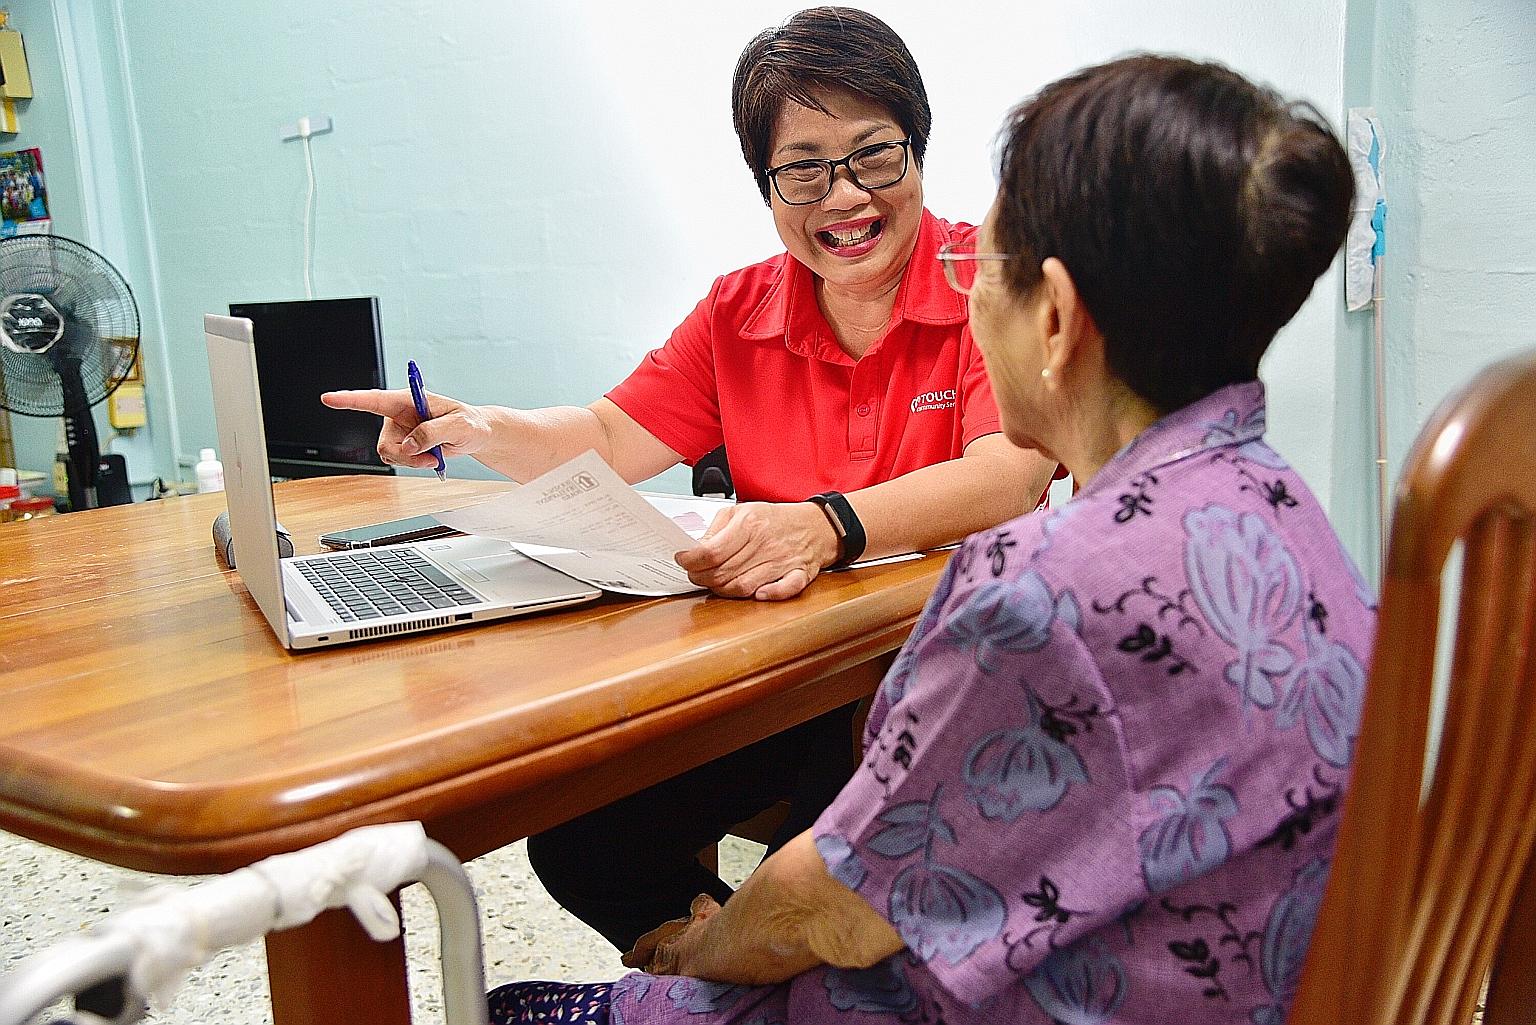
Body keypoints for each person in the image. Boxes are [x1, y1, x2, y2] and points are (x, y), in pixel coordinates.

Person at [485, 52, 1376, 1025]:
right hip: (1230, 973)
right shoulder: (1281, 506)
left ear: (1054, 318)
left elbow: (831, 906)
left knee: (508, 1003)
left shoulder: (1036, 592)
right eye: (804, 168)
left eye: (984, 268)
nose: (966, 290)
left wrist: (702, 952)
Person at [325, 7, 1058, 957]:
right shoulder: (737, 310)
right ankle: (711, 965)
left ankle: (741, 968)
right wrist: (478, 428)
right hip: (785, 674)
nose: (845, 196)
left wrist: (823, 525)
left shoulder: (982, 280)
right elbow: (604, 436)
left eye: (875, 155)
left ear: (917, 150)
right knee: (581, 832)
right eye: (802, 168)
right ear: (765, 184)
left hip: (939, 677)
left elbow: (1009, 473)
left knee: (829, 867)